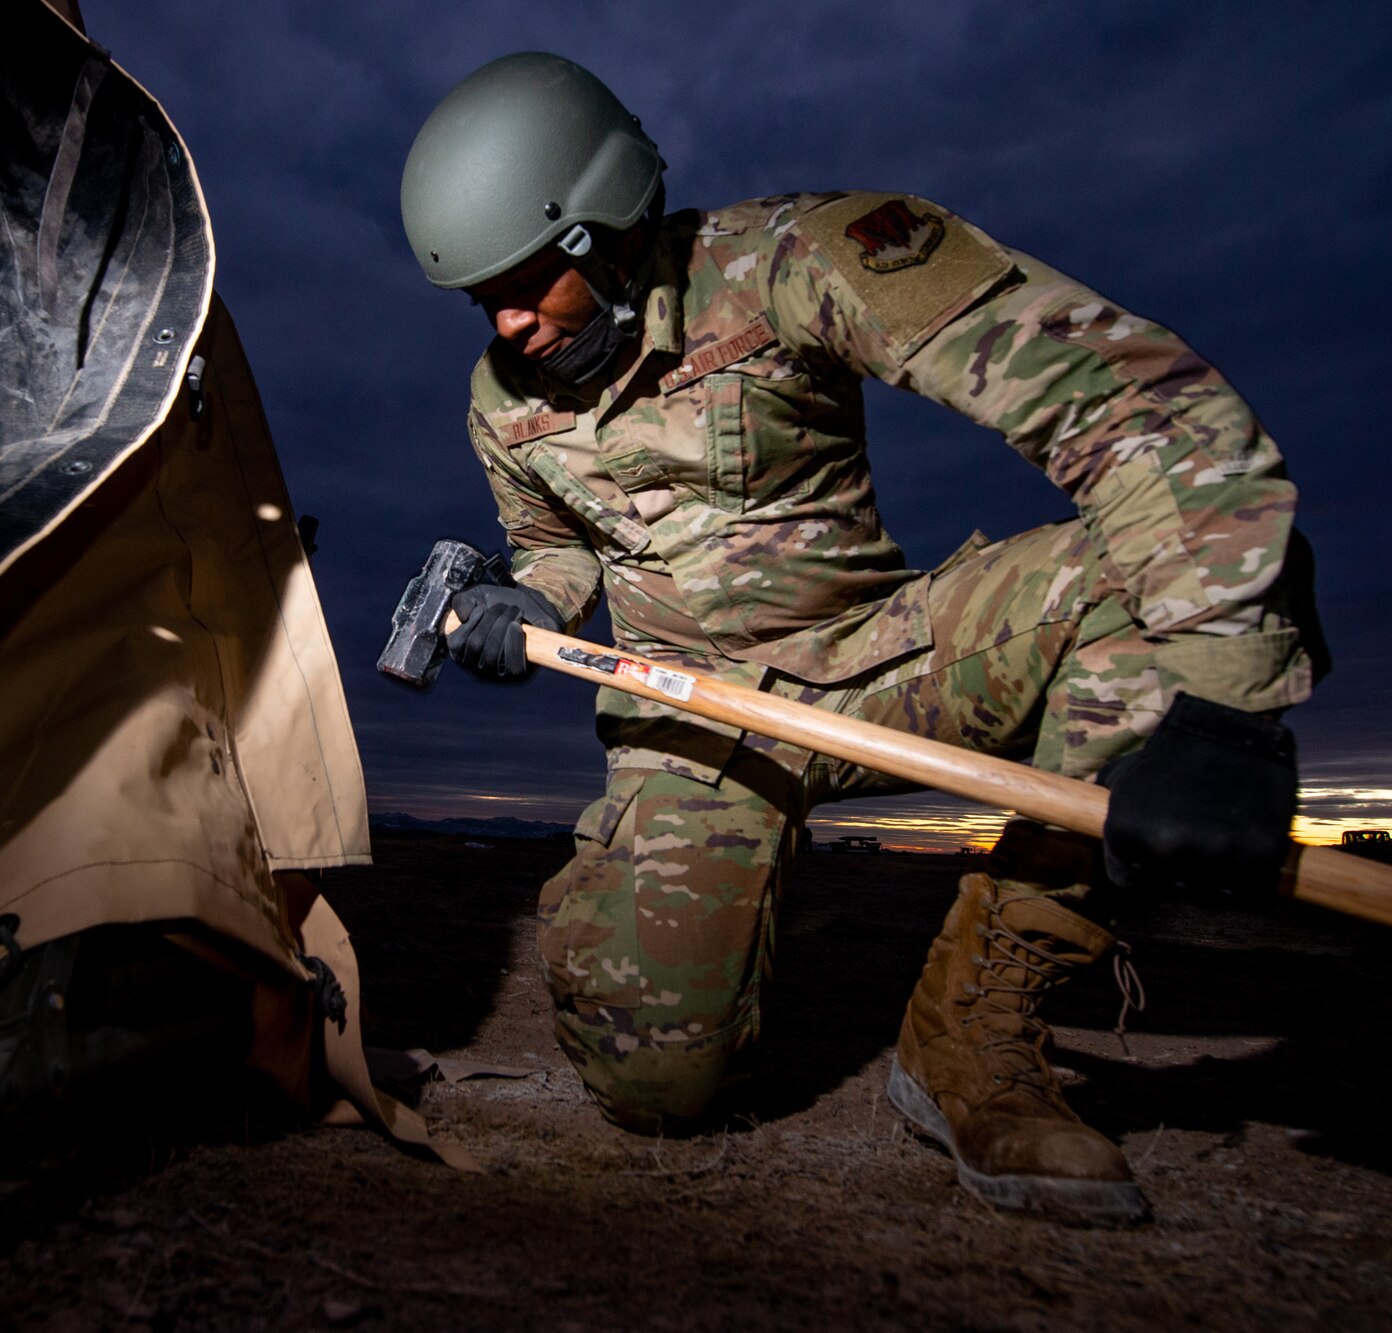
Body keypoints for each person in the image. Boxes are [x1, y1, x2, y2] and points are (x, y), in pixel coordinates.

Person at [399, 51, 1322, 1224]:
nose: (507, 323)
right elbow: (555, 546)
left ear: (607, 229)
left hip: (872, 667)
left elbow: (1114, 394)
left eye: (528, 282)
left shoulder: (794, 259)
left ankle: (971, 1039)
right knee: (655, 1084)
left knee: (1155, 591)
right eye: (480, 301)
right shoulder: (498, 401)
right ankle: (634, 889)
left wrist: (1222, 699)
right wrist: (528, 604)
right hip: (690, 719)